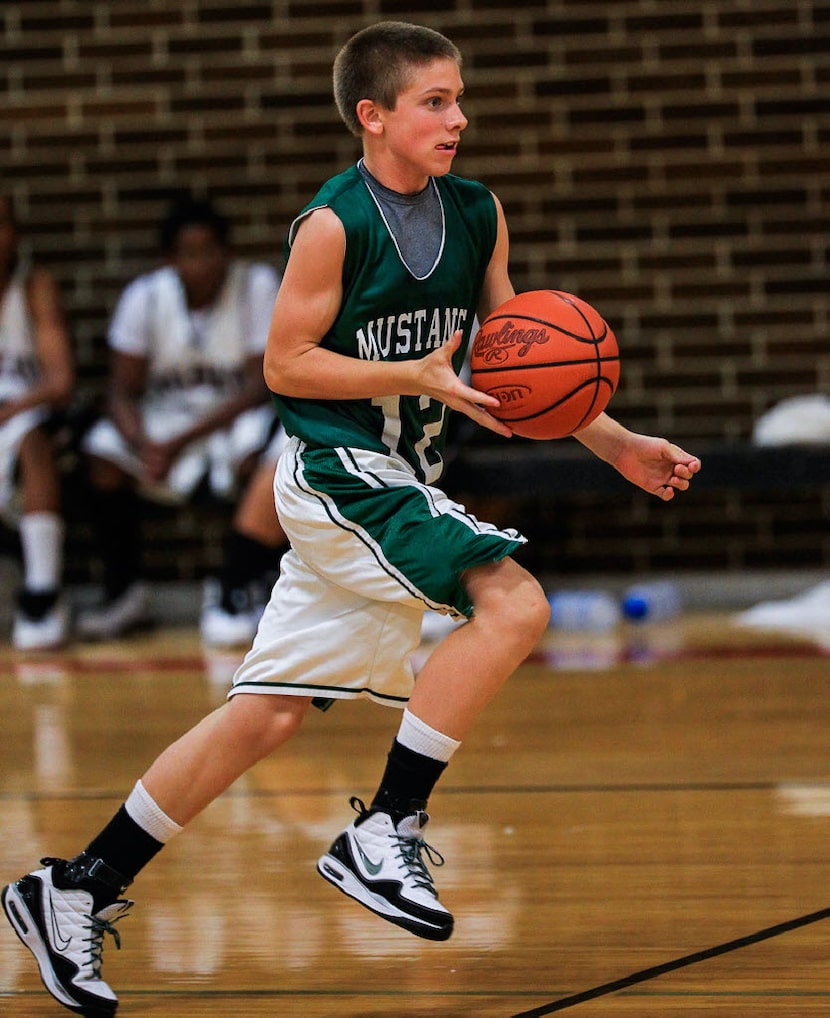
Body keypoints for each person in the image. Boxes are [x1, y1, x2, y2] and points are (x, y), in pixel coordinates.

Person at [1, 22, 701, 1016]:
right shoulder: (331, 224)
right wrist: (406, 375)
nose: (456, 118)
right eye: (432, 101)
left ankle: (72, 886)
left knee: (265, 715)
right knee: (512, 605)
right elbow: (284, 364)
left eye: (458, 98)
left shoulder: (477, 212)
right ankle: (387, 828)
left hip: (399, 475)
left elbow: (514, 358)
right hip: (341, 472)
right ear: (372, 116)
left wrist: (614, 439)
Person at [76, 196, 281, 640]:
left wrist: (177, 442)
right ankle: (125, 592)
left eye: (211, 250)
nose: (203, 262)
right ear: (170, 259)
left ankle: (248, 582)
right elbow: (120, 391)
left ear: (227, 252)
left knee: (271, 452)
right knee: (101, 451)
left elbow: (258, 385)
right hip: (166, 422)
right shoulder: (145, 297)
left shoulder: (255, 285)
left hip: (232, 420)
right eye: (190, 253)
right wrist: (143, 442)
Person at [0, 193, 74, 651]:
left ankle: (42, 592)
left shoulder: (33, 287)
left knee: (31, 439)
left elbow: (60, 381)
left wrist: (12, 409)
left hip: (24, 412)